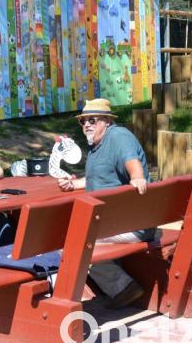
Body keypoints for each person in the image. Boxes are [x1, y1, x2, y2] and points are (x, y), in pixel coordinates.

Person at [58, 98, 155, 309]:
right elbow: (99, 179)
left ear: (107, 121)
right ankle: (117, 286)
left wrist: (137, 177)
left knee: (69, 241)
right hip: (117, 222)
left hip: (133, 225)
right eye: (83, 121)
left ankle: (122, 288)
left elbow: (132, 163)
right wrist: (74, 184)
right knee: (77, 234)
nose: (86, 125)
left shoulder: (118, 137)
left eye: (92, 120)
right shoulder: (97, 146)